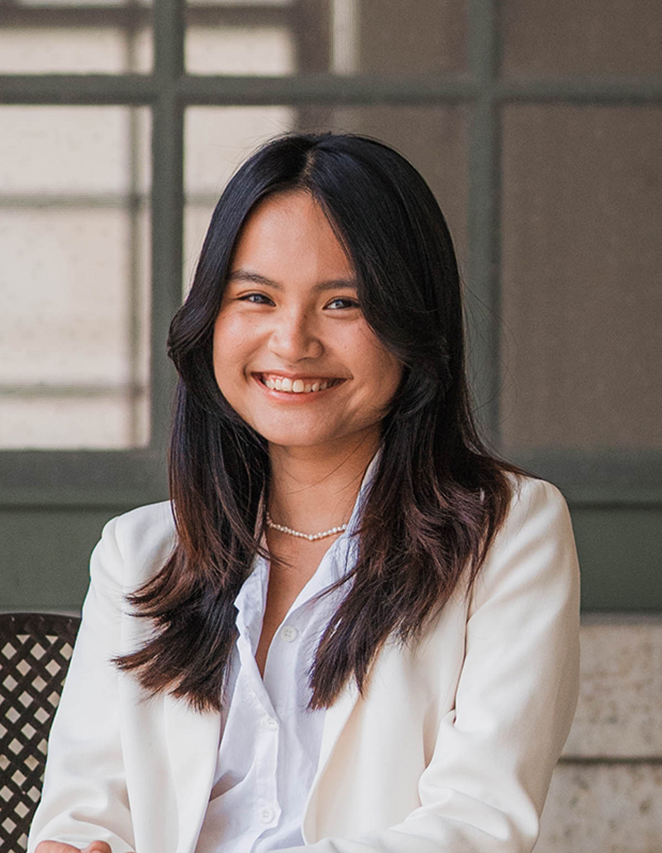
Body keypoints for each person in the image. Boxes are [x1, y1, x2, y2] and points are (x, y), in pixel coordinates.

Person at [28, 132, 580, 853]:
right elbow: (82, 818)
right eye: (255, 295)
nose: (291, 341)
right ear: (210, 319)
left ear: (413, 324)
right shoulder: (139, 553)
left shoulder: (510, 533)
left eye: (343, 303)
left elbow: (475, 824)